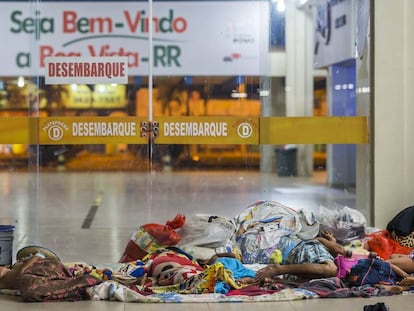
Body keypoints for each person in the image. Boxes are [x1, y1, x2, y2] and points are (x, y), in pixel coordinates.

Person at [0, 249, 101, 302]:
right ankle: (79, 286)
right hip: (32, 281)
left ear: (6, 266)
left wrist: (22, 270)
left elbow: (38, 256)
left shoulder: (18, 264)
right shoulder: (5, 286)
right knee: (30, 291)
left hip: (41, 270)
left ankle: (78, 281)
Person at [255, 231, 341, 283]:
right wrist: (332, 243)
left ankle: (279, 279)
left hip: (296, 264)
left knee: (323, 281)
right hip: (300, 250)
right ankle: (277, 270)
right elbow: (321, 241)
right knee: (331, 270)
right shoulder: (318, 245)